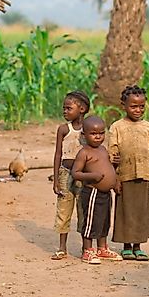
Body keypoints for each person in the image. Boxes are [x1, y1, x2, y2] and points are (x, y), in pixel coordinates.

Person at [109, 85, 149, 262]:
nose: (138, 110)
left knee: (141, 212)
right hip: (125, 176)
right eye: (133, 106)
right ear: (123, 105)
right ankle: (126, 246)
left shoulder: (148, 127)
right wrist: (115, 178)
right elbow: (112, 152)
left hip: (144, 176)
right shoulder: (117, 127)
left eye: (141, 106)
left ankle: (138, 246)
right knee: (125, 212)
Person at [71, 115, 122, 265]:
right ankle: (88, 250)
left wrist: (115, 169)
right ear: (84, 135)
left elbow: (107, 168)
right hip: (92, 192)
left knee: (104, 221)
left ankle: (102, 248)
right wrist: (92, 176)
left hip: (106, 193)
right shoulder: (84, 153)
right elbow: (76, 173)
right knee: (91, 221)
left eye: (101, 133)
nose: (97, 137)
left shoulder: (103, 150)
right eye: (93, 134)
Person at [51, 90, 90, 260]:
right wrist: (55, 179)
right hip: (65, 174)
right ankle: (62, 247)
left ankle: (85, 248)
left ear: (81, 109)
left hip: (83, 175)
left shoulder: (89, 129)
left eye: (69, 108)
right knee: (64, 210)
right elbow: (58, 154)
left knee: (83, 210)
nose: (65, 111)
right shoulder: (63, 129)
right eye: (64, 108)